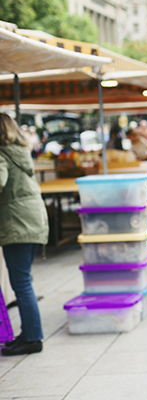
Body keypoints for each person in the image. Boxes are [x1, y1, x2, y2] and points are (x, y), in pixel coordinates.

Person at [0, 113, 49, 356]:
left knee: (21, 284)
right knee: (24, 281)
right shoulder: (20, 153)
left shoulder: (1, 155)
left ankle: (32, 338)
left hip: (18, 223)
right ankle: (29, 333)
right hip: (33, 220)